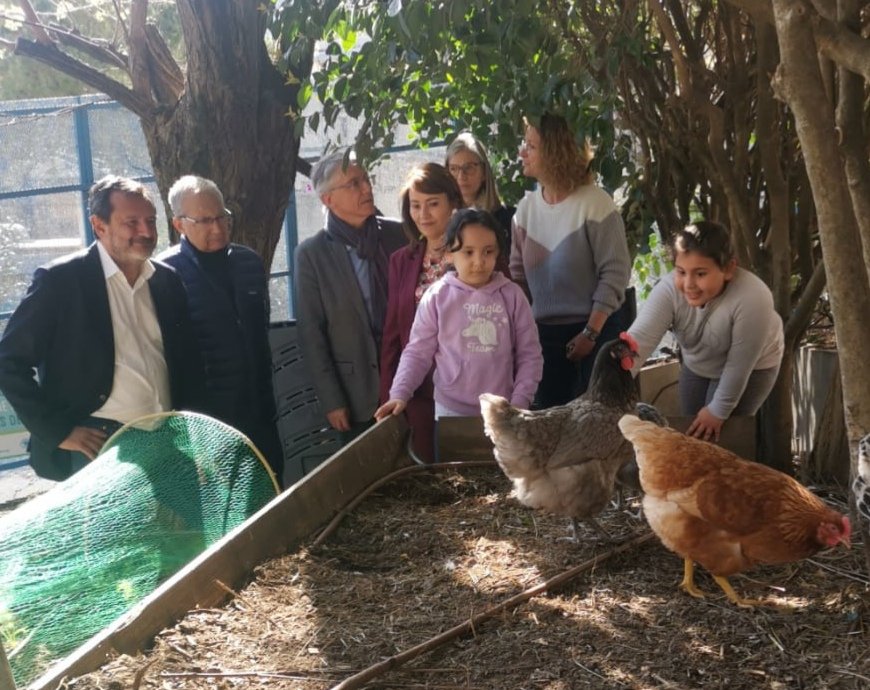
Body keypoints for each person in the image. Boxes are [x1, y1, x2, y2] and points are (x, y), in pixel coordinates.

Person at [0, 175, 203, 481]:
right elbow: (8, 361)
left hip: (167, 438)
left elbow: (188, 363)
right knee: (115, 531)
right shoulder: (61, 281)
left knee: (175, 530)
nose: (146, 231)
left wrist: (195, 433)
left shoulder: (168, 280)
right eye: (131, 222)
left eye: (150, 220)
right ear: (99, 226)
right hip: (99, 444)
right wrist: (58, 432)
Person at [157, 175, 284, 483]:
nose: (217, 228)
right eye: (204, 221)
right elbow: (169, 357)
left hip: (260, 410)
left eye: (221, 217)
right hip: (208, 422)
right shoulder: (165, 274)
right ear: (179, 225)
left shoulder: (249, 262)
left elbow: (259, 330)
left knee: (272, 490)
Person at [376, 209, 543, 431]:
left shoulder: (512, 296)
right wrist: (399, 394)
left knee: (499, 467)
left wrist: (518, 405)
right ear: (450, 253)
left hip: (504, 413)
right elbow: (417, 353)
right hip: (449, 413)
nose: (479, 261)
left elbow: (530, 356)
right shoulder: (436, 297)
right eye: (468, 252)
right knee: (452, 467)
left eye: (488, 251)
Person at [511, 112, 631, 408]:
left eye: (531, 146)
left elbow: (615, 274)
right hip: (544, 340)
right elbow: (516, 275)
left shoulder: (596, 203)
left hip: (597, 332)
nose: (521, 152)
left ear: (555, 152)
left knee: (594, 428)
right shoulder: (525, 209)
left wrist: (590, 333)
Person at [628, 220, 784, 441]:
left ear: (728, 268)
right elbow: (638, 341)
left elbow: (739, 366)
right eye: (681, 271)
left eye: (700, 274)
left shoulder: (753, 297)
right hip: (698, 362)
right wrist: (605, 395)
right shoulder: (668, 290)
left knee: (720, 440)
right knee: (691, 434)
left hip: (752, 367)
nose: (689, 283)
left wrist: (718, 410)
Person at [295, 149, 407, 442]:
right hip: (356, 395)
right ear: (328, 199)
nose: (367, 188)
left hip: (409, 381)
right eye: (354, 183)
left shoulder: (401, 234)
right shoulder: (312, 254)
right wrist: (332, 399)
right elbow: (311, 333)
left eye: (365, 179)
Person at [379, 163, 464, 462]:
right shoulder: (401, 260)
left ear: (453, 202)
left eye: (432, 204)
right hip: (416, 389)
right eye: (415, 205)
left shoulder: (478, 251)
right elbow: (392, 334)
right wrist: (390, 393)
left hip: (468, 385)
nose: (423, 214)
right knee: (426, 473)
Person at [445, 132, 515, 237]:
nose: (461, 176)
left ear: (484, 172)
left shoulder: (510, 220)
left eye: (469, 167)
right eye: (454, 169)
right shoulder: (441, 218)